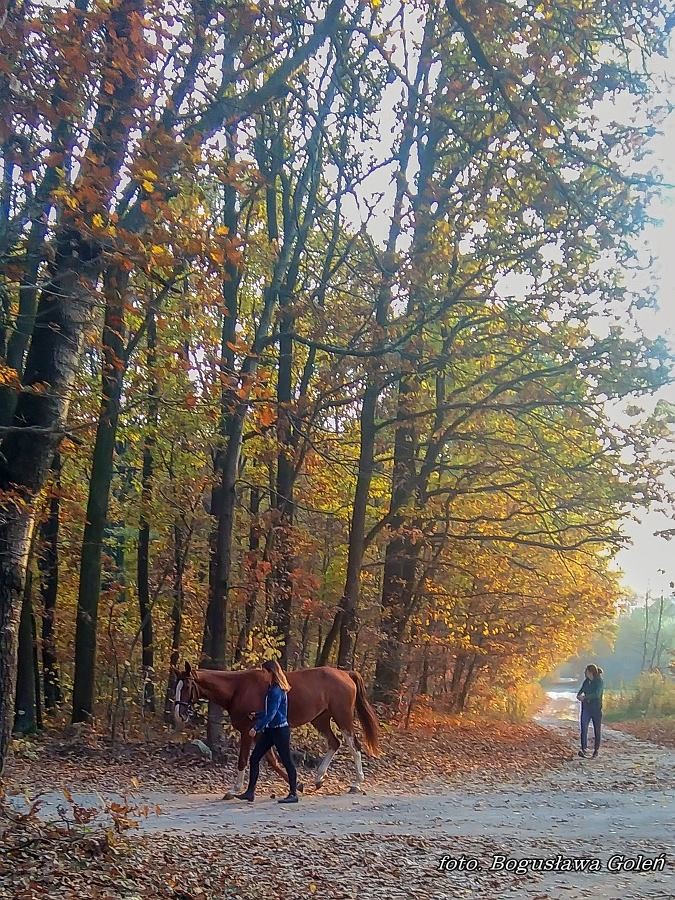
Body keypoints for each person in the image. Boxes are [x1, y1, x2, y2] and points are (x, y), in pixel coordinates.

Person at [237, 659, 299, 804]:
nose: (263, 675)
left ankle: (293, 793)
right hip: (271, 730)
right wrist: (257, 715)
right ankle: (250, 792)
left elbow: (272, 714)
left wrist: (256, 727)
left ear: (271, 672)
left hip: (280, 731)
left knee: (287, 761)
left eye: (264, 672)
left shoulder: (276, 690)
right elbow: (270, 712)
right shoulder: (271, 688)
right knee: (254, 758)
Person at [576, 664, 604, 758]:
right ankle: (584, 748)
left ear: (590, 672)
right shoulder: (586, 681)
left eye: (586, 671)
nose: (585, 673)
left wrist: (585, 697)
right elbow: (581, 690)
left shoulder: (599, 682)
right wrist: (579, 695)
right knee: (584, 727)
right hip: (586, 708)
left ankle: (596, 750)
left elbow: (597, 694)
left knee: (597, 729)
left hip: (596, 708)